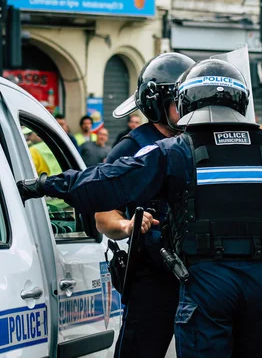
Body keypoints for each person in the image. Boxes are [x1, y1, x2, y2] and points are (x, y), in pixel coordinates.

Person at [17, 57, 262, 358]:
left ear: (187, 103)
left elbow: (106, 182)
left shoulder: (174, 152)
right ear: (241, 102)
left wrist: (42, 185)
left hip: (205, 284)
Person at [96, 52, 195, 358]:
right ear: (158, 102)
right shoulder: (133, 147)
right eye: (181, 99)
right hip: (154, 276)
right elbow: (103, 214)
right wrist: (128, 225)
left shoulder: (200, 140)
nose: (190, 106)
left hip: (203, 271)